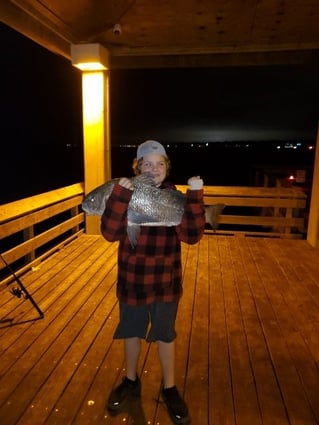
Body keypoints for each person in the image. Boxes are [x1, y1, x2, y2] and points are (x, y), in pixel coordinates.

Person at [100, 140, 205, 424]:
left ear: (167, 168)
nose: (153, 168)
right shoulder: (125, 193)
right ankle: (131, 380)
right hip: (132, 279)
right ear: (138, 168)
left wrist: (195, 195)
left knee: (165, 334)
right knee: (131, 331)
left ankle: (169, 387)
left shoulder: (174, 196)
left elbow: (192, 236)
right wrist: (121, 192)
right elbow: (109, 233)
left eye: (160, 164)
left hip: (166, 280)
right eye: (147, 163)